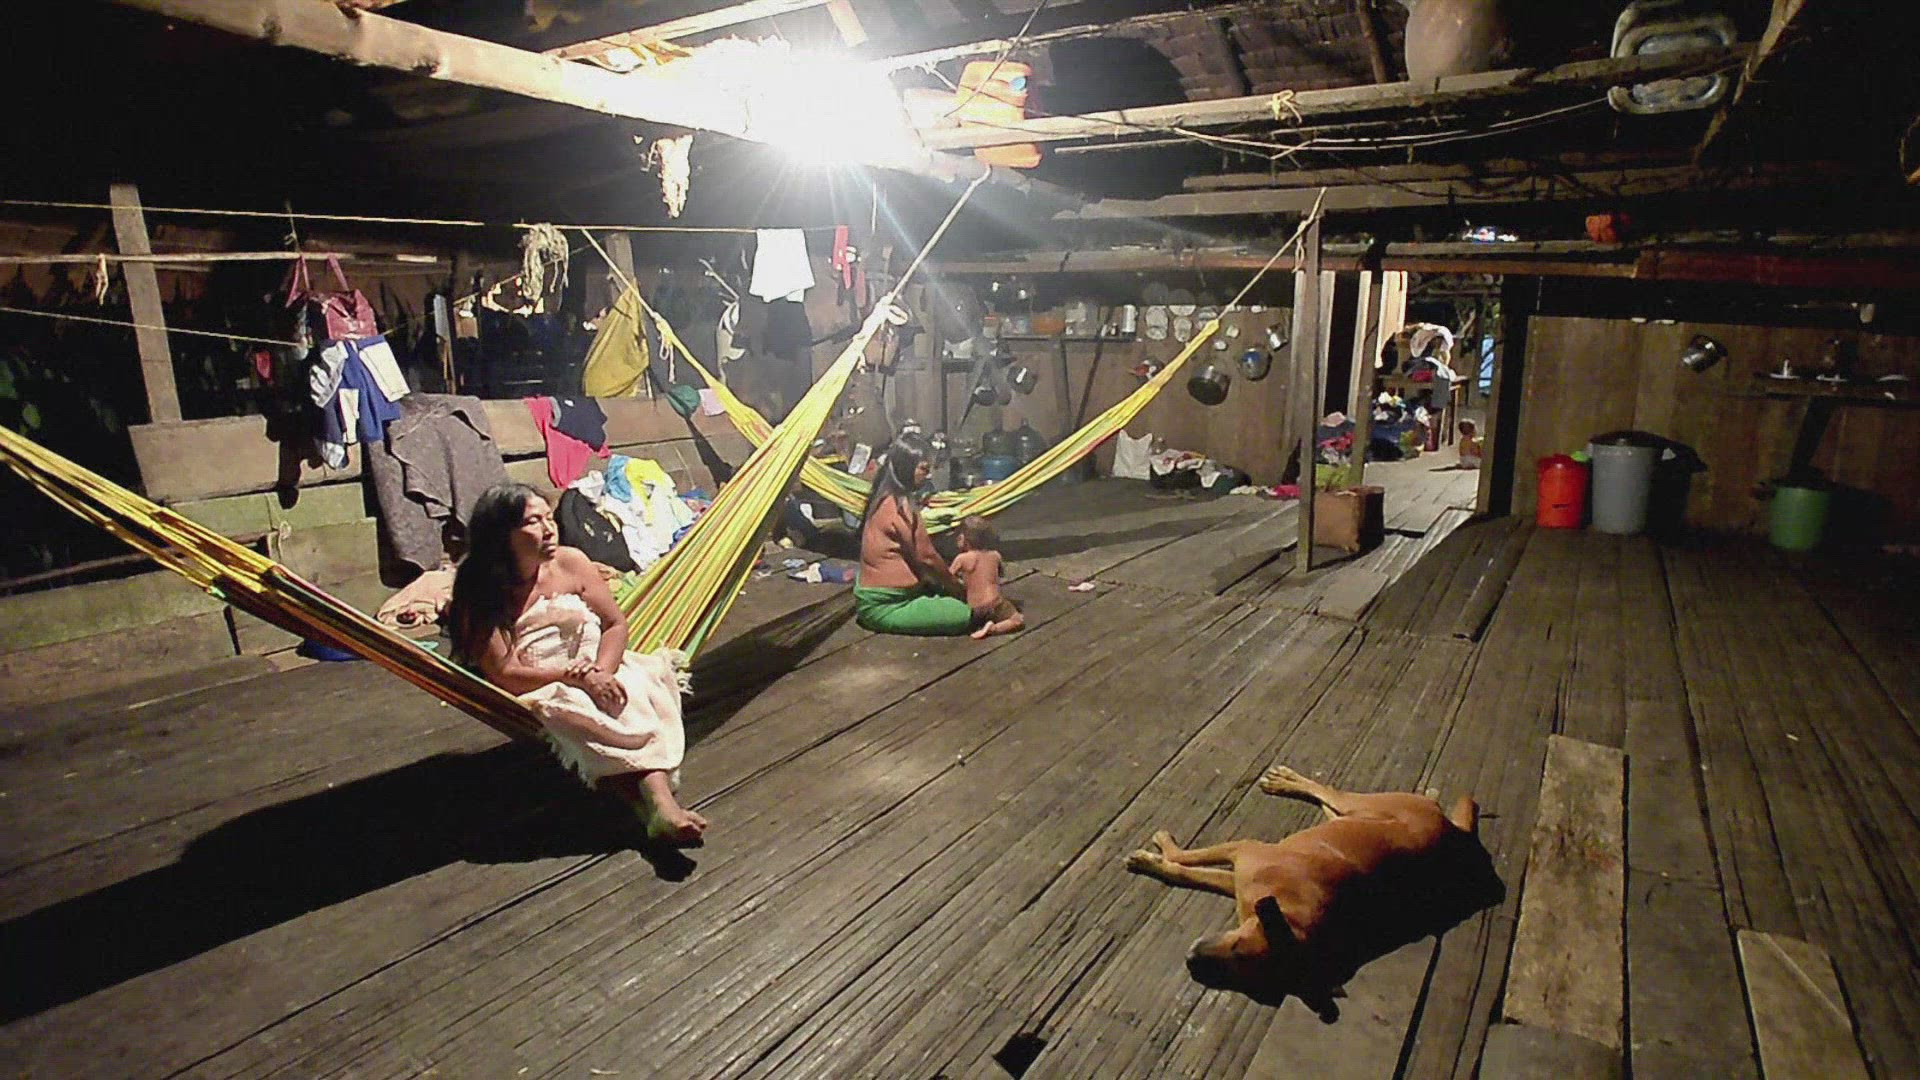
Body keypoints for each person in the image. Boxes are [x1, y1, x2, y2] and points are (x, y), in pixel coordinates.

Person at [446, 483, 707, 845]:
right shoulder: (481, 590)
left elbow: (615, 624)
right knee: (581, 709)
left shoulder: (572, 562)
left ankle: (654, 810)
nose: (548, 529)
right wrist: (574, 678)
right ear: (501, 534)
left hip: (600, 665)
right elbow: (504, 674)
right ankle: (658, 806)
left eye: (549, 517)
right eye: (533, 522)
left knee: (631, 691)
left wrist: (600, 672)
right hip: (542, 682)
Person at [853, 434, 977, 636]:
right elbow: (926, 557)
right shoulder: (900, 507)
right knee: (971, 611)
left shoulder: (884, 497)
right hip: (888, 605)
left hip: (894, 596)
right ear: (906, 467)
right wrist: (956, 587)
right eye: (924, 469)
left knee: (961, 599)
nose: (928, 476)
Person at [950, 515, 1024, 639]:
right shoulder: (995, 555)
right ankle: (993, 628)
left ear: (962, 538)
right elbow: (1001, 574)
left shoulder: (961, 558)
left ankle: (983, 624)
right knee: (1017, 620)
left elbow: (947, 578)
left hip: (974, 608)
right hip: (995, 603)